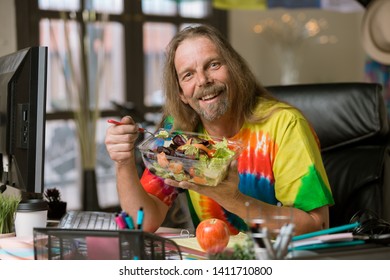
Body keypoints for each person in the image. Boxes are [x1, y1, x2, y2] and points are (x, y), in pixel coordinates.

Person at [105, 24, 334, 236]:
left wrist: (234, 200)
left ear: (235, 69)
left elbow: (316, 224)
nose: (203, 80)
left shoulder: (285, 124)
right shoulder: (177, 133)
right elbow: (143, 222)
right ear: (182, 95)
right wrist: (123, 162)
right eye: (188, 75)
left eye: (213, 65)